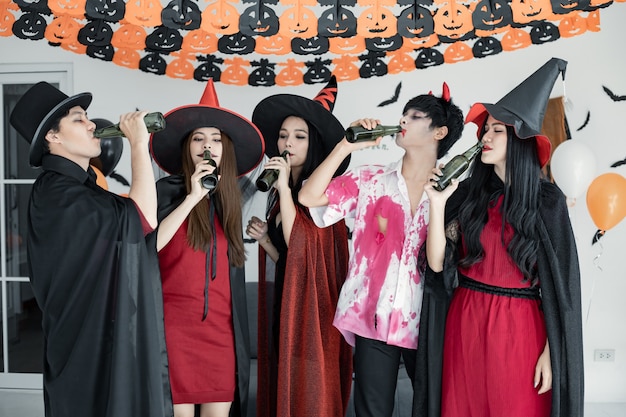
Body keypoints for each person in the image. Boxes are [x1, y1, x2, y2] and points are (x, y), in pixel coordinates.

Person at [419, 57, 584, 417]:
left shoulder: (548, 202)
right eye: (485, 130)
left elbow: (564, 289)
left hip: (521, 330)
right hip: (465, 323)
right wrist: (437, 203)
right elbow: (435, 264)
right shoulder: (466, 196)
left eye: (497, 130)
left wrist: (552, 354)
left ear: (521, 140)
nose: (485, 137)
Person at [298, 84, 464, 417]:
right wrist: (346, 145)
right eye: (403, 113)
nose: (402, 119)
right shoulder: (371, 179)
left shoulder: (457, 193)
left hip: (431, 321)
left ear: (439, 132)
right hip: (373, 317)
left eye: (415, 116)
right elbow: (308, 197)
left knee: (438, 408)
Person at [9, 82, 172, 417]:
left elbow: (137, 231)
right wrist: (140, 144)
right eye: (78, 119)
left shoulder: (83, 188)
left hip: (100, 334)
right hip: (83, 341)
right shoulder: (57, 192)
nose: (92, 124)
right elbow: (140, 217)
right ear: (53, 137)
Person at [149, 80, 264, 417]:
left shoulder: (232, 200)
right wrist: (193, 196)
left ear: (225, 149)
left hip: (222, 333)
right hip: (173, 330)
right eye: (198, 138)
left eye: (216, 139)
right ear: (187, 147)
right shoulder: (164, 191)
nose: (207, 146)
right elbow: (148, 245)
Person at [245, 76, 353, 417]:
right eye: (283, 136)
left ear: (315, 144)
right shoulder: (282, 194)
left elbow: (302, 243)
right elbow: (294, 260)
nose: (287, 143)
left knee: (309, 396)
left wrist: (286, 192)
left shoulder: (323, 193)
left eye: (299, 137)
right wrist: (264, 240)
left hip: (315, 318)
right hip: (289, 307)